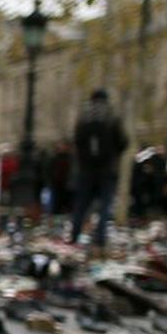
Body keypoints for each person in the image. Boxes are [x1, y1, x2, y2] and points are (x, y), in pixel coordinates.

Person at [68, 89, 126, 247]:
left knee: (81, 205)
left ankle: (74, 235)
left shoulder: (83, 117)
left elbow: (77, 141)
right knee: (105, 206)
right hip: (107, 170)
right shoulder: (112, 116)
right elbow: (123, 142)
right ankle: (100, 238)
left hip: (86, 170)